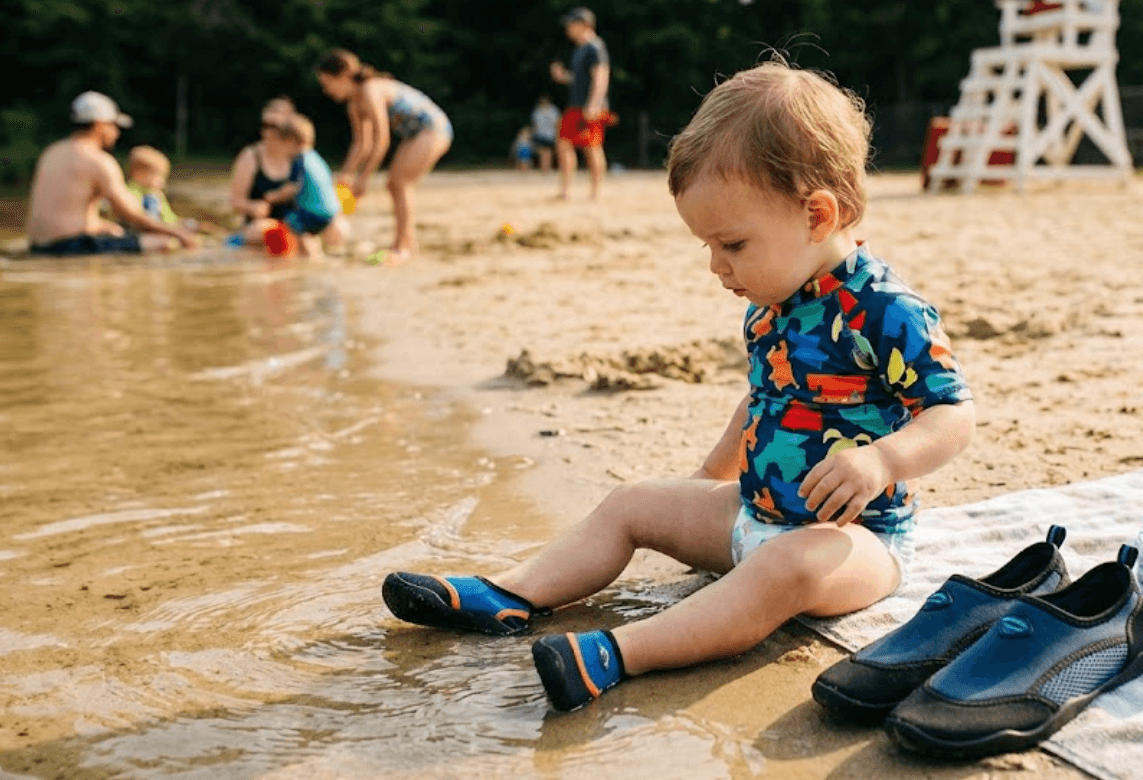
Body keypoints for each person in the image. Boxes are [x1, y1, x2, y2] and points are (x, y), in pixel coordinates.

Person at [379, 60, 978, 713]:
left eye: (733, 245)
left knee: (785, 569)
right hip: (755, 515)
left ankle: (621, 652)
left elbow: (951, 413)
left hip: (853, 542)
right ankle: (514, 592)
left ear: (817, 214)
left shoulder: (886, 310)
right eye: (709, 249)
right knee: (633, 503)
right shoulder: (772, 303)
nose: (718, 268)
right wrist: (705, 480)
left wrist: (881, 458)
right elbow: (762, 402)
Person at [315, 48, 452, 264]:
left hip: (434, 129)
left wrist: (364, 178)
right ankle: (405, 243)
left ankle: (404, 245)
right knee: (395, 184)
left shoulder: (371, 90)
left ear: (342, 75)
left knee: (398, 183)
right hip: (415, 134)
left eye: (327, 83)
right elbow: (361, 143)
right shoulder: (354, 104)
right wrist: (347, 175)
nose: (326, 90)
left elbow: (381, 139)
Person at [25, 92, 197, 256]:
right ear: (99, 124)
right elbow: (131, 215)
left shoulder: (51, 152)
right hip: (69, 246)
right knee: (163, 242)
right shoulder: (98, 160)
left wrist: (103, 226)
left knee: (115, 231)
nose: (117, 132)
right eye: (114, 125)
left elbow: (64, 213)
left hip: (37, 246)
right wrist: (177, 233)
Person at [239, 114, 347, 258]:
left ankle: (310, 257)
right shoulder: (316, 158)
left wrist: (271, 197)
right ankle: (316, 256)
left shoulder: (299, 160)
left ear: (290, 142)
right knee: (303, 231)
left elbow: (291, 189)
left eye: (283, 143)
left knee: (290, 225)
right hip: (331, 212)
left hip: (312, 213)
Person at [549, 7, 613, 200]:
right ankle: (566, 190)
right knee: (563, 144)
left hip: (590, 106)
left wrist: (594, 104)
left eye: (571, 24)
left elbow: (601, 76)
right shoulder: (579, 49)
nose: (567, 29)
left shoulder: (595, 46)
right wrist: (564, 77)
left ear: (584, 25)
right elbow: (580, 79)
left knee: (592, 147)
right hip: (575, 105)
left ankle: (596, 192)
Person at [228, 96, 298, 225]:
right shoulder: (250, 156)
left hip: (294, 223)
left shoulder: (299, 156)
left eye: (276, 127)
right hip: (259, 226)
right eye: (266, 126)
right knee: (265, 228)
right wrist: (252, 207)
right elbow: (235, 201)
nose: (269, 132)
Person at [530, 94, 561, 174]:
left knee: (548, 152)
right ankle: (544, 168)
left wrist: (558, 134)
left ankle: (546, 168)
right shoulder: (537, 110)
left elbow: (558, 123)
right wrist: (533, 133)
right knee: (542, 152)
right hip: (539, 134)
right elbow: (534, 123)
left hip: (550, 134)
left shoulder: (553, 110)